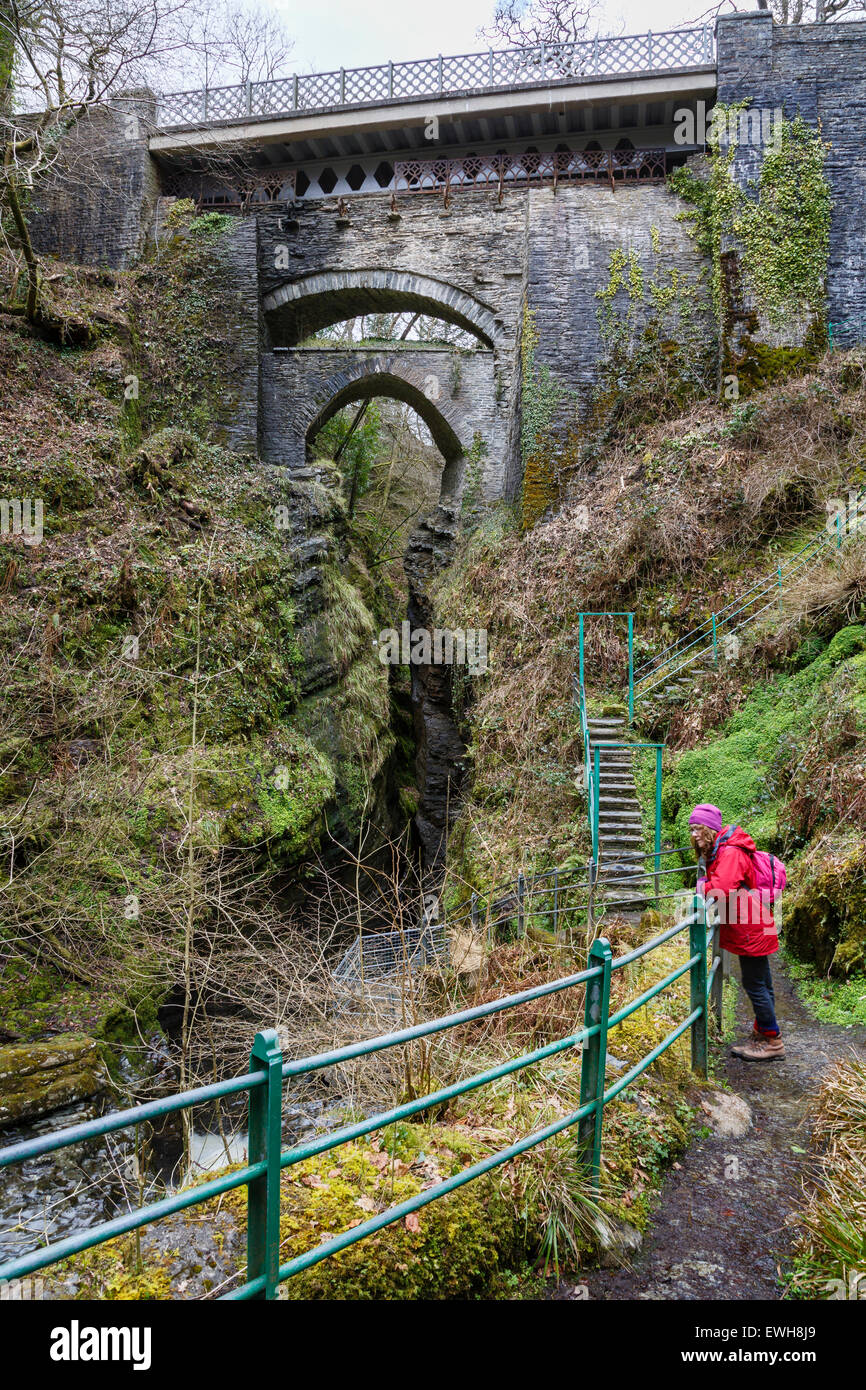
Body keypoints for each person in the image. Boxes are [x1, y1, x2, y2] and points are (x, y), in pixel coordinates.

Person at [688, 803, 784, 1061]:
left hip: (750, 925)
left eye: (698, 828)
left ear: (710, 828)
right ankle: (764, 1032)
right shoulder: (726, 848)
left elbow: (722, 886)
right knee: (762, 982)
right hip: (753, 921)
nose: (694, 834)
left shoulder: (730, 852)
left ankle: (772, 1041)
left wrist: (701, 886)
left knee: (754, 983)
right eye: (692, 829)